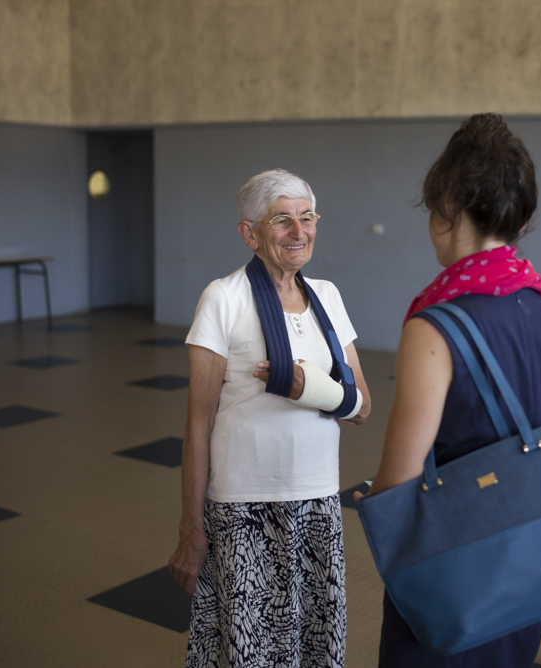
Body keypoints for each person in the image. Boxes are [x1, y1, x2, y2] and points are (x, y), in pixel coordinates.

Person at [355, 113, 541, 667]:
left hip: (455, 571)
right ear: (519, 219)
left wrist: (370, 497)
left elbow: (399, 485)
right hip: (528, 567)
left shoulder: (434, 327)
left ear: (447, 206)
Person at [168, 169, 372, 668]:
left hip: (318, 507)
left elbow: (361, 406)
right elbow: (198, 424)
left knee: (312, 646)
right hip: (243, 510)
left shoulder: (327, 296)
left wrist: (313, 390)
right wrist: (191, 532)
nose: (299, 232)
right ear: (249, 232)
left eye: (307, 218)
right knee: (248, 650)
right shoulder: (224, 298)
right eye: (282, 220)